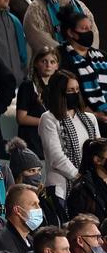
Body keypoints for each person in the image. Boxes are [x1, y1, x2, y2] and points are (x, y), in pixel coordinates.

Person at [39, 70, 99, 201]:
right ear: (60, 93)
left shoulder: (90, 119)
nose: (75, 94)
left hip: (89, 187)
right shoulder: (49, 118)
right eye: (70, 90)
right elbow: (55, 156)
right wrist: (79, 177)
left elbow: (99, 150)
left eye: (77, 89)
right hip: (61, 187)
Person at [55, 8, 107, 119]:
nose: (89, 32)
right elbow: (64, 93)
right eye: (84, 29)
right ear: (71, 32)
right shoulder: (60, 56)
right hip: (79, 117)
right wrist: (94, 115)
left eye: (90, 28)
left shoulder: (101, 56)